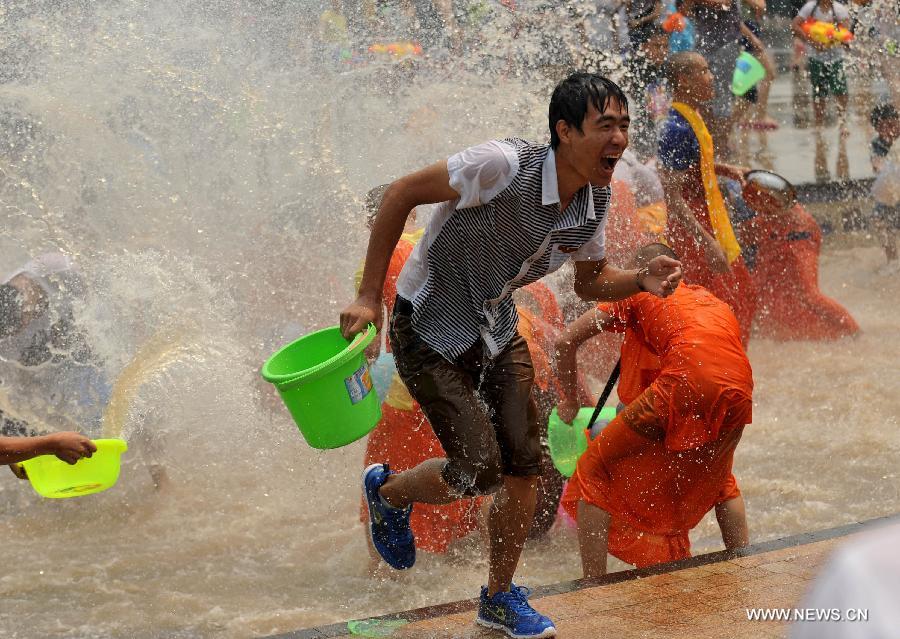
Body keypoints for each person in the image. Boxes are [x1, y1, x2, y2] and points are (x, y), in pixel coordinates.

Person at [340, 72, 682, 639]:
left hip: (497, 326)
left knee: (526, 464)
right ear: (564, 131)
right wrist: (367, 296)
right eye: (606, 126)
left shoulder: (592, 202)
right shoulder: (499, 165)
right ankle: (389, 493)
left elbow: (594, 282)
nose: (620, 138)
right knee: (479, 468)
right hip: (428, 322)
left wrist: (641, 279)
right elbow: (400, 194)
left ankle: (498, 598)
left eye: (624, 125)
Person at [555, 243, 752, 577]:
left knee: (591, 470)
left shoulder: (640, 291)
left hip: (686, 381)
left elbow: (564, 342)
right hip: (740, 387)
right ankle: (745, 559)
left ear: (640, 274)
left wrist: (570, 401)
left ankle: (592, 586)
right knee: (719, 478)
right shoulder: (707, 299)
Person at [657, 52, 756, 344]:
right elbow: (673, 196)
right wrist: (706, 242)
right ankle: (718, 369)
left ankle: (729, 367)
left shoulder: (693, 114)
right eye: (704, 71)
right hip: (693, 228)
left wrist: (728, 169)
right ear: (684, 80)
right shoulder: (674, 128)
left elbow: (694, 167)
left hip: (709, 218)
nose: (712, 77)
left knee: (738, 297)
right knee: (718, 304)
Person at [725, 171, 860, 339]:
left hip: (799, 234)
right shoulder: (732, 197)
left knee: (808, 294)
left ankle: (854, 332)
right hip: (772, 233)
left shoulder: (751, 181)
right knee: (755, 290)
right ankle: (758, 336)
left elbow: (779, 201)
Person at [792, 0, 852, 182]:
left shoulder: (839, 9)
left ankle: (843, 123)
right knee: (819, 93)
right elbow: (795, 25)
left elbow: (847, 31)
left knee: (841, 91)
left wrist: (832, 39)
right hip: (815, 57)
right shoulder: (810, 7)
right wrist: (811, 40)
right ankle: (818, 124)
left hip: (836, 58)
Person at [870, 102, 899, 173]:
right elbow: (877, 169)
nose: (889, 131)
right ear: (877, 130)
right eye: (882, 128)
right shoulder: (877, 144)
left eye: (891, 125)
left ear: (898, 121)